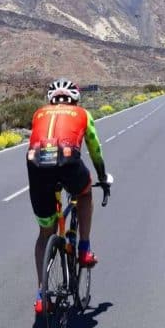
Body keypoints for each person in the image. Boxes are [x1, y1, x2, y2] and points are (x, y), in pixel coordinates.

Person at [27, 78, 107, 314]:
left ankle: (42, 295)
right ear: (75, 99)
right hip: (68, 159)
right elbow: (95, 149)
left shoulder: (38, 113)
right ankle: (84, 248)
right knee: (84, 192)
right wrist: (102, 176)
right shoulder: (82, 113)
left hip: (36, 163)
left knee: (44, 233)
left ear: (51, 99)